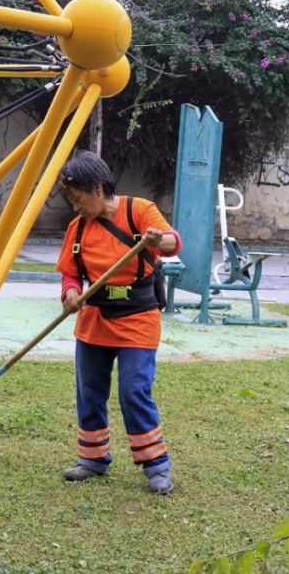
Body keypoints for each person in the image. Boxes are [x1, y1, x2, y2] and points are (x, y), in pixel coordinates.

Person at [55, 150, 181, 495]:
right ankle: (93, 459)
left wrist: (158, 240)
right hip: (94, 319)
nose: (75, 207)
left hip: (138, 317)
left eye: (78, 199)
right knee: (90, 390)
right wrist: (69, 293)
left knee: (133, 389)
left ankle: (156, 465)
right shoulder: (77, 228)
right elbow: (70, 272)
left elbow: (171, 242)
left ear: (97, 190)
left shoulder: (138, 210)